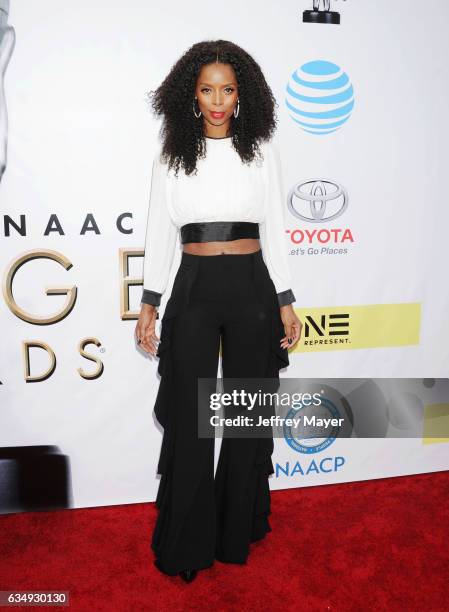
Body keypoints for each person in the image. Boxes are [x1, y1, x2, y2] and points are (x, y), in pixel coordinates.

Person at [135, 39, 302, 583]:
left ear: (242, 93)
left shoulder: (260, 150)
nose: (217, 100)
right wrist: (149, 304)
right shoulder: (172, 155)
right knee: (192, 417)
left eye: (227, 90)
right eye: (207, 89)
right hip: (194, 285)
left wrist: (285, 299)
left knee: (246, 411)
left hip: (253, 285)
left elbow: (275, 229)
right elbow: (160, 233)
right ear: (191, 93)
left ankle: (237, 530)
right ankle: (187, 543)